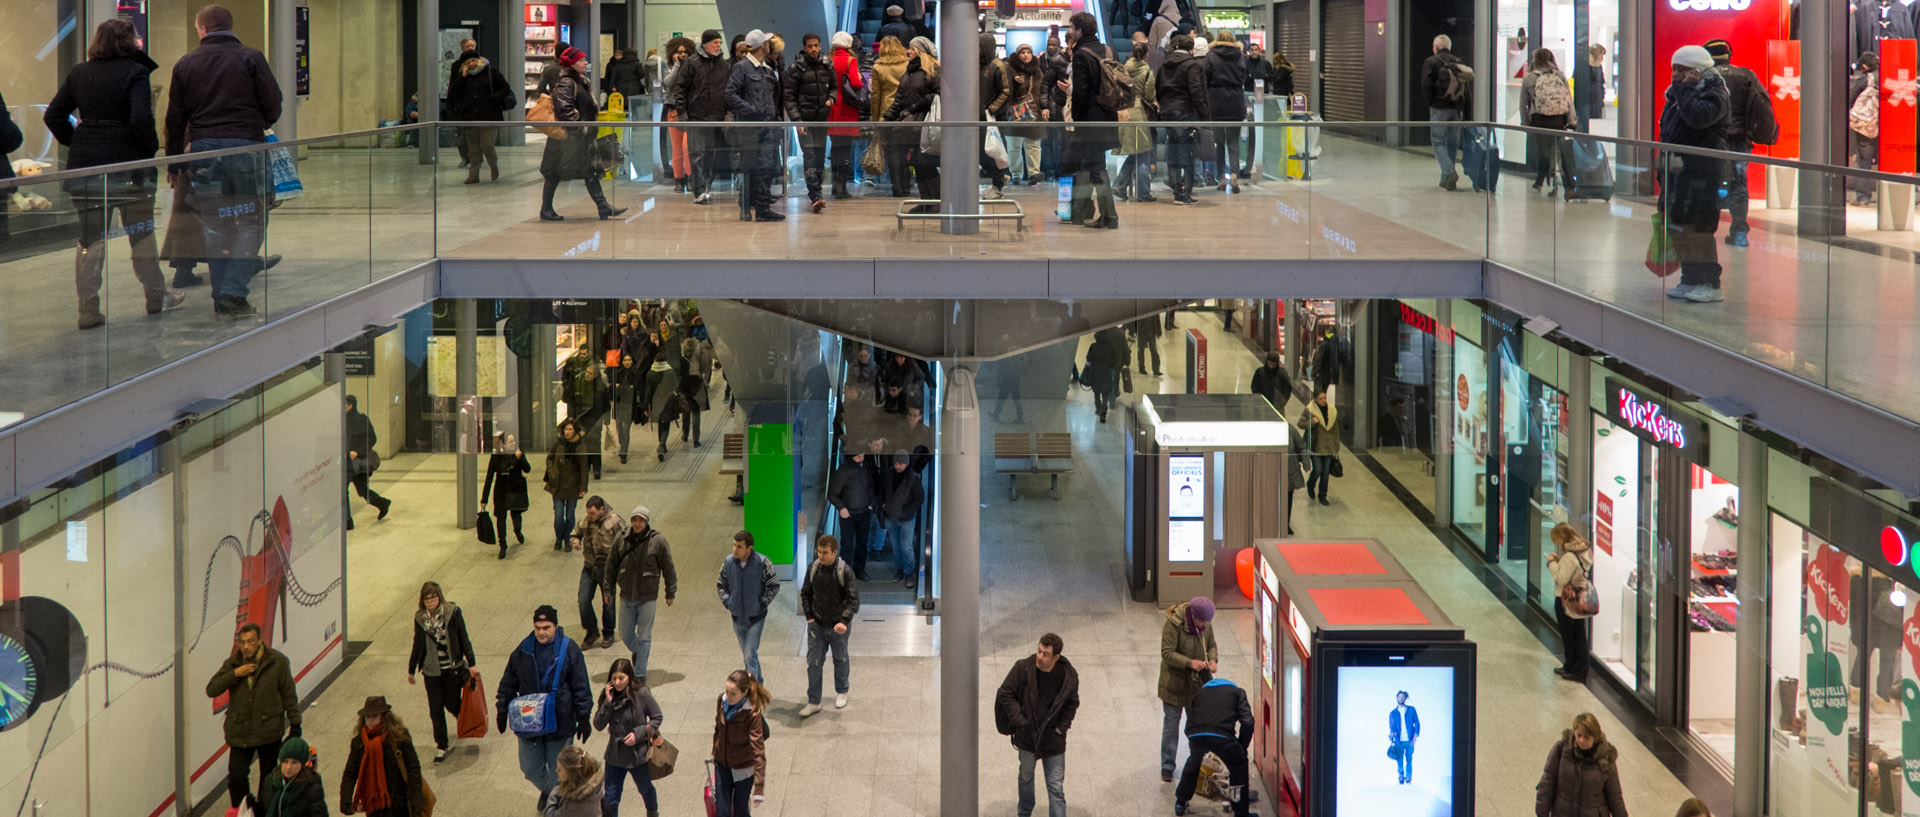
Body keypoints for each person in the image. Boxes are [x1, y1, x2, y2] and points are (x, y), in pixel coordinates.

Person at [44, 18, 185, 329]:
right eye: (135, 36)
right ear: (128, 41)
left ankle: (88, 309)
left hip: (87, 166)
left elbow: (53, 114)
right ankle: (155, 294)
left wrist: (78, 140)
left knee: (89, 238)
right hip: (128, 163)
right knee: (142, 231)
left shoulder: (80, 71)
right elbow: (139, 118)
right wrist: (149, 149)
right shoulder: (135, 72)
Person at [164, 4, 281, 316]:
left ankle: (222, 293)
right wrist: (258, 122)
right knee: (253, 218)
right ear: (231, 26)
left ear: (201, 29)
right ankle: (232, 291)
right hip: (246, 146)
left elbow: (175, 118)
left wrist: (174, 162)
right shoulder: (251, 57)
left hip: (204, 151)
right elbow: (273, 103)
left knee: (215, 224)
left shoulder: (186, 63)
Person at [496, 605, 594, 810]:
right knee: (530, 767)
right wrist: (502, 708)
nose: (541, 632)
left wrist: (583, 717)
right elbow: (508, 682)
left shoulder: (569, 650)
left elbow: (580, 685)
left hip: (561, 721)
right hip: (529, 722)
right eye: (538, 627)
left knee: (562, 769)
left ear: (556, 626)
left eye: (546, 627)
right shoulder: (523, 650)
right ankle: (554, 793)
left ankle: (558, 799)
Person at [1659, 45, 1731, 304]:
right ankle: (1690, 278)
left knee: (1700, 228)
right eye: (1674, 70)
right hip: (1679, 172)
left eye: (1682, 70)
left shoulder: (1714, 94)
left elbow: (1697, 118)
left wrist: (1685, 90)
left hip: (1703, 172)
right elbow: (1668, 132)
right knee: (1680, 226)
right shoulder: (1676, 95)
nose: (1676, 75)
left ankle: (1709, 282)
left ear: (1698, 71)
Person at [208, 622, 303, 808]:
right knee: (236, 777)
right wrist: (235, 673)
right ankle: (245, 809)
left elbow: (289, 695)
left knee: (268, 780)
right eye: (242, 642)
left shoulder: (277, 661)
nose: (246, 646)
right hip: (240, 733)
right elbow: (212, 689)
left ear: (260, 640)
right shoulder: (233, 663)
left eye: (250, 641)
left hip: (269, 731)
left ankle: (264, 810)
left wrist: (295, 724)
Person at [994, 633, 1080, 817]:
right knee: (1025, 777)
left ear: (1056, 657)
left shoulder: (1068, 677)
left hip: (1053, 740)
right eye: (1039, 651)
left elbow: (1072, 704)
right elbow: (1005, 693)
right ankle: (1024, 812)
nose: (1039, 657)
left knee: (1056, 787)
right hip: (1027, 737)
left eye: (1045, 654)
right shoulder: (1023, 668)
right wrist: (1020, 721)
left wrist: (1061, 728)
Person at [1705, 38, 1778, 248]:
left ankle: (1708, 230)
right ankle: (1739, 231)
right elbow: (1762, 105)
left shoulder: (1707, 76)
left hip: (1713, 141)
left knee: (1711, 182)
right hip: (1740, 141)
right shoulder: (1747, 75)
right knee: (1739, 183)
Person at [539, 47, 626, 222]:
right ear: (571, 63)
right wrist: (581, 129)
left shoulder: (580, 82)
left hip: (579, 139)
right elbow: (564, 112)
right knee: (554, 174)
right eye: (581, 60)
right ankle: (546, 209)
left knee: (590, 171)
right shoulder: (567, 83)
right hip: (569, 140)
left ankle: (603, 207)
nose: (585, 62)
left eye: (585, 59)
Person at [407, 582, 477, 762]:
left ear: (439, 597)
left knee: (452, 703)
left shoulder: (452, 612)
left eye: (433, 597)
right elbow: (417, 643)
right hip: (431, 671)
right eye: (426, 598)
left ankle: (462, 717)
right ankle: (442, 745)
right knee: (435, 709)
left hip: (451, 669)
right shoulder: (420, 618)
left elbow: (463, 637)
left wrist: (472, 662)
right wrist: (412, 669)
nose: (430, 601)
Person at [1065, 13, 1121, 226]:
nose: (1071, 31)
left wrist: (1077, 120)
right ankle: (1082, 212)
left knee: (1095, 166)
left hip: (1089, 118)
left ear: (1079, 30)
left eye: (1072, 27)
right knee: (1092, 164)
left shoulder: (1081, 54)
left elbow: (1080, 92)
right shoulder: (1108, 50)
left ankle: (1109, 216)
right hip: (1108, 115)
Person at [1171, 677, 1254, 817]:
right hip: (1222, 736)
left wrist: (1193, 740)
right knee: (1238, 765)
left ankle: (1181, 801)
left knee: (1194, 762)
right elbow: (1248, 722)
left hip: (1197, 734)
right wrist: (1241, 746)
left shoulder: (1199, 694)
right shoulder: (1237, 692)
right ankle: (1240, 811)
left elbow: (1189, 717)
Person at [667, 30, 732, 204]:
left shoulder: (723, 65)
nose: (718, 45)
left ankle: (707, 187)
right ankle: (699, 191)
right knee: (696, 154)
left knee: (711, 155)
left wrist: (728, 114)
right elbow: (680, 89)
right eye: (715, 42)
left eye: (719, 42)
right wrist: (683, 114)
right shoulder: (692, 63)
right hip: (696, 117)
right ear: (705, 44)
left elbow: (728, 91)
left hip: (716, 117)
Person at [1158, 596, 1218, 781]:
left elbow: (1212, 645)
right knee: (1171, 726)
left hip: (1196, 686)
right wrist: (1189, 663)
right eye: (1202, 621)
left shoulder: (1206, 624)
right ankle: (1167, 765)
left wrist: (1213, 659)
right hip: (1174, 685)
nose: (1205, 625)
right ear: (1193, 615)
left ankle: (1199, 760)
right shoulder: (1173, 624)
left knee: (1197, 725)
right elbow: (1167, 653)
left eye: (1207, 622)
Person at [727, 30, 785, 222]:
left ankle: (762, 208)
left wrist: (775, 119)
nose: (770, 46)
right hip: (750, 127)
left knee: (767, 168)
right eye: (767, 44)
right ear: (763, 46)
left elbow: (774, 98)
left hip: (768, 126)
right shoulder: (741, 68)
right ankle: (745, 206)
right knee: (749, 167)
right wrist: (750, 109)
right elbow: (730, 94)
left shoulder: (767, 69)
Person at [799, 535, 860, 716]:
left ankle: (842, 691)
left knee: (840, 659)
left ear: (835, 552)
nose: (821, 556)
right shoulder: (813, 568)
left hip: (837, 626)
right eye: (819, 552)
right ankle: (814, 701)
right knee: (814, 662)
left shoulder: (845, 572)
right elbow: (805, 593)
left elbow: (853, 600)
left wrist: (844, 621)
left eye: (825, 553)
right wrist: (809, 616)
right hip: (817, 625)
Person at [594, 658, 663, 817]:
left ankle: (652, 812)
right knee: (610, 797)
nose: (617, 682)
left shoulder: (642, 694)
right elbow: (598, 724)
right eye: (614, 678)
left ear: (629, 677)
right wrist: (608, 703)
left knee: (645, 788)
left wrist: (638, 734)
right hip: (615, 755)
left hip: (637, 754)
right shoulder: (608, 696)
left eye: (621, 678)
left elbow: (657, 717)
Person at [338, 697, 424, 817]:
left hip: (400, 805)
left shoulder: (399, 738)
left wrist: (416, 802)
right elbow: (350, 773)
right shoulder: (359, 743)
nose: (370, 721)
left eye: (374, 716)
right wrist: (345, 798)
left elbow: (413, 769)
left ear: (384, 717)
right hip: (374, 807)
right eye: (367, 717)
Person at [883, 37, 942, 208]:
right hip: (911, 125)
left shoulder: (933, 70)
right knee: (917, 162)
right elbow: (899, 100)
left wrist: (916, 106)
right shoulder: (907, 74)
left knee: (925, 161)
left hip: (926, 123)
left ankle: (936, 201)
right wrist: (887, 118)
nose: (908, 51)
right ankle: (928, 201)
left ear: (921, 52)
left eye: (913, 49)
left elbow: (938, 95)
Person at [1535, 713, 1629, 817]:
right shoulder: (1562, 750)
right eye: (1579, 735)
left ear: (1595, 737)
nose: (1581, 741)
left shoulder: (1605, 760)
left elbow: (1615, 797)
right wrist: (1542, 813)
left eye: (1587, 737)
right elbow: (1548, 782)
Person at [718, 530, 781, 682]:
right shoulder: (728, 562)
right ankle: (758, 687)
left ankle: (752, 697)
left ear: (749, 548)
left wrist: (761, 604)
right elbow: (721, 584)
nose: (735, 550)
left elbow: (774, 585)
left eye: (739, 546)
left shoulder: (762, 562)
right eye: (734, 545)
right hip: (737, 616)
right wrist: (728, 602)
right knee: (749, 656)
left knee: (749, 655)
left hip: (756, 618)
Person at [785, 33, 835, 212]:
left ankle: (818, 192)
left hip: (821, 118)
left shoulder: (827, 65)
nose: (813, 49)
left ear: (820, 46)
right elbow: (789, 96)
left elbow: (834, 87)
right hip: (805, 119)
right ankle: (815, 194)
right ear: (805, 48)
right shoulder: (796, 68)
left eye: (816, 45)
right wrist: (797, 120)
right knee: (810, 155)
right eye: (810, 46)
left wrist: (832, 98)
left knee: (820, 155)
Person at [1156, 33, 1207, 205]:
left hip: (1167, 111)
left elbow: (1158, 86)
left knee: (1173, 148)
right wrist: (1203, 114)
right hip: (1185, 111)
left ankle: (1176, 187)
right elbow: (1196, 91)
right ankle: (1184, 192)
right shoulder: (1192, 65)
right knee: (1187, 152)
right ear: (1191, 48)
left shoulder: (1164, 64)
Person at [711, 670, 771, 817]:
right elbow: (718, 728)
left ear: (745, 692)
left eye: (733, 693)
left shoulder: (751, 714)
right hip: (722, 764)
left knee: (740, 811)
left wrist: (759, 788)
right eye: (727, 691)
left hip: (743, 768)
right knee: (722, 812)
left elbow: (758, 751)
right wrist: (716, 750)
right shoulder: (722, 701)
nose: (728, 697)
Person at [448, 45, 510, 183]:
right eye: (468, 63)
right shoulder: (462, 77)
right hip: (470, 116)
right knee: (473, 148)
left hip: (489, 115)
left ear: (479, 60)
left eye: (473, 61)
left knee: (487, 144)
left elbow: (505, 88)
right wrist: (462, 77)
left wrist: (495, 98)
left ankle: (493, 165)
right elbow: (454, 93)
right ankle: (473, 174)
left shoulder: (490, 72)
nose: (471, 64)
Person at [571, 496, 627, 650]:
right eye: (588, 513)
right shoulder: (585, 520)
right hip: (589, 567)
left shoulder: (615, 522)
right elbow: (575, 533)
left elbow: (626, 542)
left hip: (608, 570)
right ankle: (592, 631)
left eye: (593, 513)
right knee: (583, 600)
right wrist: (575, 541)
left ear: (602, 509)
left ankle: (608, 632)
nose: (590, 516)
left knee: (608, 603)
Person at [1521, 48, 1576, 193]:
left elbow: (1523, 105)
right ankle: (1568, 187)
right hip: (1559, 120)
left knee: (1544, 152)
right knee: (1560, 153)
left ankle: (1540, 182)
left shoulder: (1529, 78)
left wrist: (1526, 124)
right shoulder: (1559, 75)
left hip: (1540, 120)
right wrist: (1572, 120)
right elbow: (1568, 100)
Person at [1421, 34, 1470, 191]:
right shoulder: (1458, 62)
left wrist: (1431, 102)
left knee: (1438, 142)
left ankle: (1449, 172)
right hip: (1457, 109)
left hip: (1439, 108)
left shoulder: (1431, 62)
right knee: (1452, 143)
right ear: (1449, 47)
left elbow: (1426, 84)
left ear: (1436, 46)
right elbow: (1466, 88)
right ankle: (1446, 179)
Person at [1547, 523, 1595, 682]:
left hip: (1566, 598)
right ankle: (1573, 666)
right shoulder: (1584, 550)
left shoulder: (1570, 556)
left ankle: (1577, 669)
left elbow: (1561, 578)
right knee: (1579, 633)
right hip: (1580, 595)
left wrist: (1552, 563)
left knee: (1569, 635)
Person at [1203, 31, 1248, 193]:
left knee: (1219, 142)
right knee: (1234, 141)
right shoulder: (1239, 56)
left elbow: (1205, 78)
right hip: (1235, 101)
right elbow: (1243, 78)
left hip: (1216, 102)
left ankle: (1222, 177)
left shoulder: (1211, 56)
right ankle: (1235, 174)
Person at [1116, 34, 1158, 202]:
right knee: (1143, 152)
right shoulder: (1147, 71)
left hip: (1124, 111)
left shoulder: (1123, 69)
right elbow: (1149, 95)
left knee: (1135, 152)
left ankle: (1119, 185)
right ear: (1146, 55)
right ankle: (1143, 192)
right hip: (1139, 111)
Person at [870, 37, 914, 196]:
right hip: (906, 112)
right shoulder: (908, 64)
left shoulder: (878, 67)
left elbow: (876, 96)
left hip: (887, 113)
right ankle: (907, 182)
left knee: (892, 151)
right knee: (906, 150)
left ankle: (897, 187)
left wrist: (875, 119)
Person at [1003, 43, 1052, 185]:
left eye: (1028, 52)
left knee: (1033, 144)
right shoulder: (1009, 70)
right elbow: (1003, 89)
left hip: (1033, 112)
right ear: (1017, 55)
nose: (1026, 55)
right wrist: (1013, 81)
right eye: (1022, 52)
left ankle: (1034, 173)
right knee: (1014, 146)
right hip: (1014, 113)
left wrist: (1044, 107)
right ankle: (1016, 174)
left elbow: (1043, 91)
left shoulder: (1037, 71)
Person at [341, 395, 392, 530]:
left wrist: (357, 451)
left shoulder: (362, 420)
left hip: (360, 462)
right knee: (343, 490)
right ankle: (347, 521)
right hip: (347, 461)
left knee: (362, 490)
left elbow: (372, 438)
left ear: (351, 405)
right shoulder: (340, 421)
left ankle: (382, 503)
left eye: (344, 405)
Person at [876, 452, 925, 585]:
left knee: (906, 547)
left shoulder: (913, 478)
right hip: (891, 517)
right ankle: (900, 570)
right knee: (896, 547)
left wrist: (906, 510)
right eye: (896, 463)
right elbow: (880, 490)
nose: (897, 466)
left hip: (906, 519)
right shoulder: (888, 474)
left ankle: (909, 572)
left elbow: (919, 498)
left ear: (906, 463)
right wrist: (883, 504)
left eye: (900, 464)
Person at [827, 31, 866, 199]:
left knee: (835, 148)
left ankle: (834, 185)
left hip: (832, 108)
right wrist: (859, 77)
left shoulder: (828, 60)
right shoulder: (851, 60)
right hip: (847, 109)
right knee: (845, 149)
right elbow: (856, 83)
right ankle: (842, 187)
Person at [827, 451, 876, 580]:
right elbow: (831, 493)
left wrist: (871, 503)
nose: (861, 458)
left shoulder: (865, 466)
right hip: (848, 514)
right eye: (858, 455)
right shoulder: (843, 470)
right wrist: (841, 507)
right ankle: (844, 573)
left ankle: (860, 570)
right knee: (847, 545)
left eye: (863, 455)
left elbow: (871, 486)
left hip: (864, 511)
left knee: (862, 543)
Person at [976, 33, 1014, 200]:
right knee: (982, 152)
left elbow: (1006, 91)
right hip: (979, 118)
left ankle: (999, 181)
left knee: (995, 151)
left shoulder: (998, 66)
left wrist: (991, 109)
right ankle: (1002, 175)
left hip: (994, 118)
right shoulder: (976, 66)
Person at [543, 419, 590, 550]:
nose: (567, 432)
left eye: (570, 429)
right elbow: (550, 459)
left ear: (575, 431)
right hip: (558, 485)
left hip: (573, 486)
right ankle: (560, 537)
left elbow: (584, 468)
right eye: (566, 429)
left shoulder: (580, 446)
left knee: (569, 516)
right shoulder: (558, 444)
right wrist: (552, 473)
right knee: (558, 515)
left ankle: (566, 537)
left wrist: (583, 487)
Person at [483, 432, 532, 557]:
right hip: (501, 490)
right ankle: (502, 544)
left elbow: (527, 469)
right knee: (501, 518)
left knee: (516, 515)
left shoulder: (518, 453)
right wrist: (484, 498)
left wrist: (520, 459)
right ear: (503, 444)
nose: (513, 444)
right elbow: (489, 477)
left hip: (515, 489)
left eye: (514, 441)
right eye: (510, 442)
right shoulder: (496, 457)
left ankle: (517, 531)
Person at [256, 737, 327, 817]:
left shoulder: (311, 788)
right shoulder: (270, 781)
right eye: (285, 762)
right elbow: (263, 809)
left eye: (294, 762)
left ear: (302, 764)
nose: (289, 767)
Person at [1848, 53, 1879, 206]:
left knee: (1864, 160)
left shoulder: (1865, 80)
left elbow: (1852, 99)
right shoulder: (1887, 76)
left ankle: (1863, 196)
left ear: (1865, 66)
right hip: (1889, 125)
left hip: (1868, 126)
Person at [543, 744, 606, 817]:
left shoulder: (576, 805)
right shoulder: (594, 783)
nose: (556, 771)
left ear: (572, 773)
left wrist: (556, 790)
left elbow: (550, 815)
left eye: (560, 769)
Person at [1041, 36, 1072, 178]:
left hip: (1076, 106)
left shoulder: (1083, 58)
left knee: (1067, 142)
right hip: (1060, 105)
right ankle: (1057, 172)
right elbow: (1046, 84)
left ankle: (1065, 171)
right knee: (1059, 141)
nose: (1051, 47)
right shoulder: (1057, 61)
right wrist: (1044, 106)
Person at [1301, 390, 1338, 505]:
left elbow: (1335, 430)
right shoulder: (1309, 410)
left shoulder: (1332, 411)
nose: (1323, 401)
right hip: (1315, 447)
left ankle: (1322, 495)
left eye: (1325, 398)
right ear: (1315, 399)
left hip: (1328, 447)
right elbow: (1300, 424)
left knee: (1325, 473)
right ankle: (1311, 484)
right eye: (1321, 398)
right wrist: (1311, 422)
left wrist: (1336, 446)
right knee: (1317, 470)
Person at [1083, 328, 1125, 423]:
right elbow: (1116, 360)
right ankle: (1103, 414)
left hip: (1096, 373)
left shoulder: (1093, 346)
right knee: (1105, 394)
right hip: (1107, 373)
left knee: (1096, 393)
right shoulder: (1111, 347)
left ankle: (1098, 409)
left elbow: (1089, 358)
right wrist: (1110, 366)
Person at [679, 337, 713, 446]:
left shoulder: (682, 360)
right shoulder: (698, 359)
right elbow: (705, 369)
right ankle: (696, 439)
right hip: (697, 385)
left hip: (685, 387)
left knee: (686, 412)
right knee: (696, 412)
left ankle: (685, 435)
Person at [1387, 689, 1421, 784]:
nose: (1400, 698)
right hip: (1398, 741)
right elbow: (1392, 728)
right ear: (1397, 698)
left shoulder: (1411, 710)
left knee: (1409, 759)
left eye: (1402, 697)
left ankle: (1409, 777)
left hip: (1410, 740)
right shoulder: (1393, 713)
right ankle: (1401, 776)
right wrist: (1391, 735)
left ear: (1405, 698)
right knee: (1399, 759)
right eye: (1399, 697)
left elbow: (1417, 723)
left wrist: (1415, 737)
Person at [1575, 45, 1606, 134]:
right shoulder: (1583, 67)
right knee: (1585, 127)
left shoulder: (1599, 67)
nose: (1602, 58)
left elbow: (1601, 84)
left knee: (1595, 129)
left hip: (1597, 102)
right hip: (1585, 102)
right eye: (1601, 55)